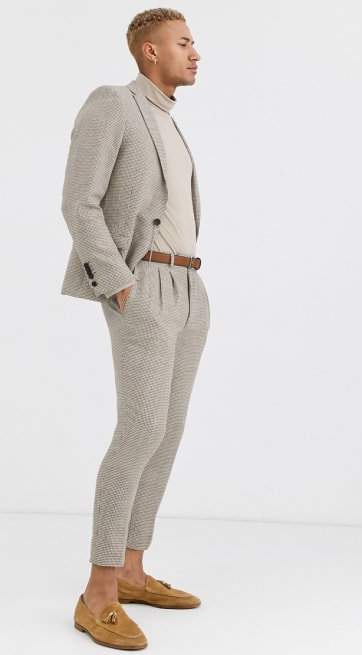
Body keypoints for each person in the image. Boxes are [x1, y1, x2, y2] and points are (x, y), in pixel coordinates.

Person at [61, 8, 209, 650]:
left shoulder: (168, 120)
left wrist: (192, 289)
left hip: (189, 287)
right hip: (142, 281)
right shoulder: (113, 105)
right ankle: (97, 592)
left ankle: (131, 570)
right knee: (141, 430)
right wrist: (117, 280)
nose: (196, 53)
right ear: (151, 52)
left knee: (167, 433)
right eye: (184, 42)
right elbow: (78, 199)